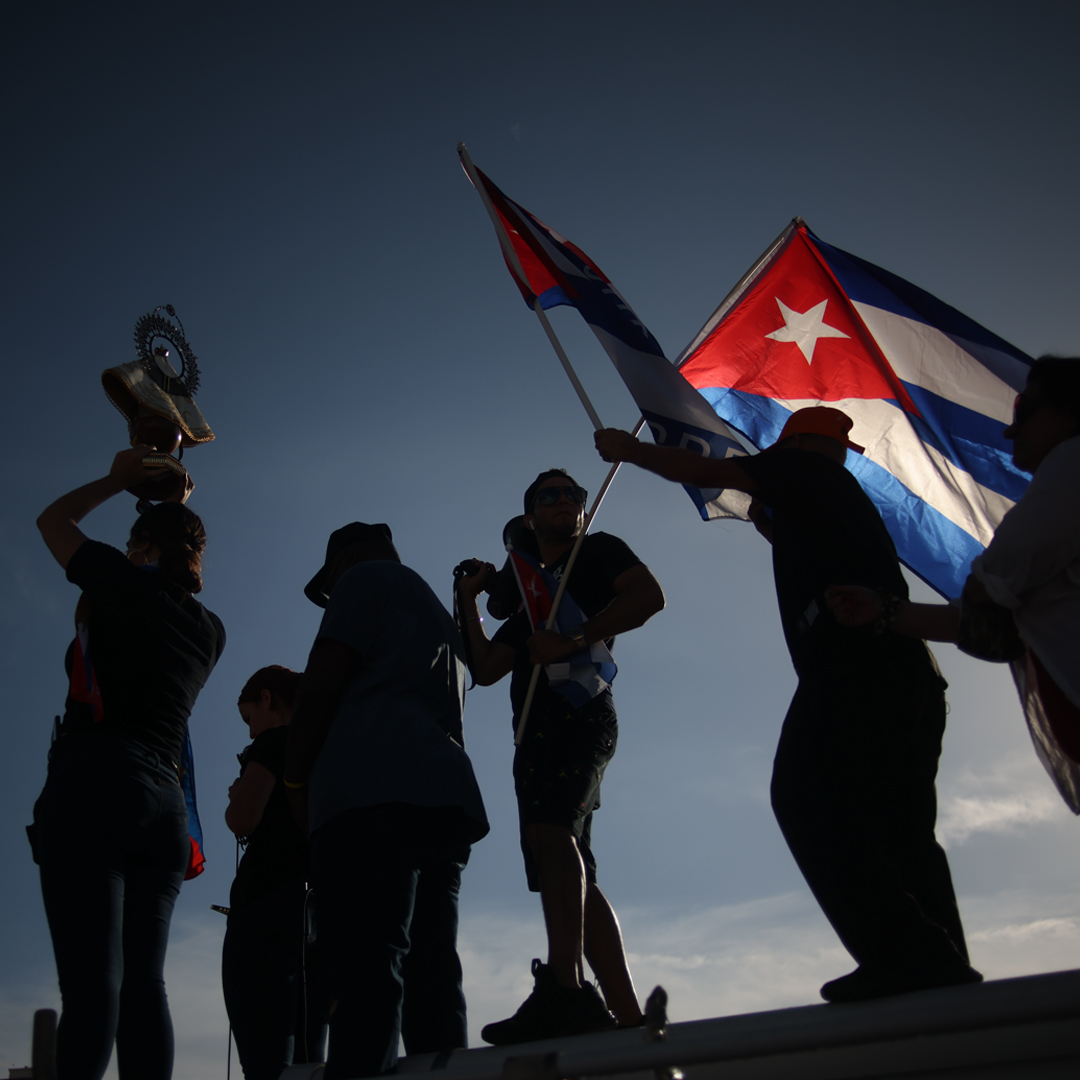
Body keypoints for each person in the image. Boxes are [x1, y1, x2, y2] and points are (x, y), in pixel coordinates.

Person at [596, 410, 980, 1003]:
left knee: (808, 796)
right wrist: (773, 525)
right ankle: (944, 965)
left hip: (855, 665)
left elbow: (700, 468)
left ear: (792, 442)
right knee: (901, 830)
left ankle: (906, 955)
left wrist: (631, 450)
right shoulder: (832, 491)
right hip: (910, 672)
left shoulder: (795, 466)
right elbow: (809, 539)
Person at [32, 446, 225, 1079]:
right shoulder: (208, 629)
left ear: (140, 548)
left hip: (98, 778)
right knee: (146, 987)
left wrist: (117, 482)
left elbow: (53, 521)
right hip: (164, 804)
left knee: (93, 988)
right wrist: (169, 515)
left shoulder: (118, 582)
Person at [456, 470, 665, 1043]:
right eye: (550, 495)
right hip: (533, 735)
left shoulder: (596, 552)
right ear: (530, 517)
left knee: (554, 834)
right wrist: (469, 602)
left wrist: (574, 640)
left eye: (572, 493)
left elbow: (648, 596)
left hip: (583, 714)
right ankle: (625, 1019)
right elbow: (487, 668)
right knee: (574, 869)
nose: (566, 500)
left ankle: (565, 987)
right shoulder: (528, 598)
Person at [284, 522, 489, 1080]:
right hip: (440, 802)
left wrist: (296, 784)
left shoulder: (365, 578)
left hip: (368, 797)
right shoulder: (440, 620)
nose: (332, 595)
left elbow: (322, 683)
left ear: (346, 558)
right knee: (433, 981)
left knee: (364, 973)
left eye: (330, 584)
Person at [827, 356, 1080, 770]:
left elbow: (997, 580)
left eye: (1026, 411)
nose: (1010, 429)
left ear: (1072, 412)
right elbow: (981, 616)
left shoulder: (1073, 460)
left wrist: (987, 600)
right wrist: (887, 611)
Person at [222, 665, 329, 1080]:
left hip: (265, 908)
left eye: (250, 717)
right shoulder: (324, 746)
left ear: (267, 698)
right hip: (317, 913)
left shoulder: (271, 743)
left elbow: (241, 819)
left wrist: (238, 795)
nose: (250, 732)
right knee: (309, 1058)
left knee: (266, 1062)